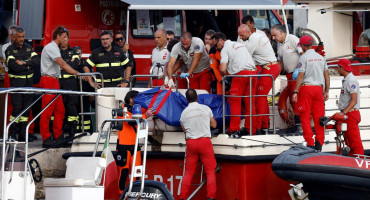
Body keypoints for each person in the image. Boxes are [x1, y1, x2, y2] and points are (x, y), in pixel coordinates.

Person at [39, 26, 80, 148]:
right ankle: (46, 138)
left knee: (60, 110)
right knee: (47, 111)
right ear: (58, 36)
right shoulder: (51, 48)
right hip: (49, 80)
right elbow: (63, 64)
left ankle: (58, 136)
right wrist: (78, 74)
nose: (65, 39)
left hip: (54, 81)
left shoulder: (54, 48)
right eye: (64, 37)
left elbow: (62, 65)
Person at [238, 24, 280, 134]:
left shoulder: (252, 41)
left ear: (248, 32)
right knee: (261, 96)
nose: (240, 38)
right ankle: (264, 124)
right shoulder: (259, 35)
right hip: (269, 67)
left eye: (242, 35)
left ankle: (258, 127)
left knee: (260, 97)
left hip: (269, 68)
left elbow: (244, 57)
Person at [214, 32, 257, 137]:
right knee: (250, 103)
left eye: (215, 45)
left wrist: (227, 78)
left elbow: (223, 68)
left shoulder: (225, 49)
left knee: (235, 102)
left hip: (240, 75)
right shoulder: (239, 44)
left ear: (221, 40)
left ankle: (233, 129)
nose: (216, 48)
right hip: (253, 73)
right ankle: (251, 129)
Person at [292, 35, 330, 151]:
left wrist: (295, 91)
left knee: (305, 116)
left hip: (307, 89)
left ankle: (310, 143)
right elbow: (327, 76)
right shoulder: (321, 58)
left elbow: (301, 75)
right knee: (319, 118)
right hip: (319, 89)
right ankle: (319, 144)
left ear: (303, 45)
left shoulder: (303, 58)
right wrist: (327, 91)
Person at [179, 88, 217, 200]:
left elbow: (185, 131)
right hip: (205, 142)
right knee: (210, 171)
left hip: (191, 143)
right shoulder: (206, 109)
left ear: (186, 99)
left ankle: (182, 197)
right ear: (197, 97)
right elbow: (214, 125)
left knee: (189, 172)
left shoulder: (183, 113)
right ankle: (210, 197)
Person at [5, 27, 40, 141]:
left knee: (26, 109)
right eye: (19, 37)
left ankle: (22, 134)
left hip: (28, 83)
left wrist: (24, 63)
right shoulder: (10, 49)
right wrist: (28, 67)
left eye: (23, 37)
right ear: (14, 37)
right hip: (16, 83)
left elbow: (36, 62)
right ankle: (13, 133)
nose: (21, 39)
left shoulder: (29, 47)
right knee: (17, 108)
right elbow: (13, 66)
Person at [115, 90, 154, 194]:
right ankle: (121, 194)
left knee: (137, 173)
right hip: (124, 147)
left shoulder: (137, 109)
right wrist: (145, 115)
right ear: (131, 99)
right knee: (123, 172)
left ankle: (135, 193)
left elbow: (149, 106)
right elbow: (130, 121)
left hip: (135, 146)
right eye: (137, 98)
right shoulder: (121, 110)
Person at [271, 24, 303, 133]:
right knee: (292, 99)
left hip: (297, 74)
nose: (273, 38)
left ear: (281, 32)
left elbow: (303, 54)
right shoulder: (280, 46)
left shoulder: (293, 39)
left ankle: (298, 126)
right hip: (289, 75)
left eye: (274, 35)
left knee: (296, 99)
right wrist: (275, 75)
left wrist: (300, 69)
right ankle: (295, 125)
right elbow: (280, 62)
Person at [334, 59, 364, 156]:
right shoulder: (348, 80)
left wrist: (343, 112)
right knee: (349, 141)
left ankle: (360, 161)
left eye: (338, 67)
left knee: (354, 141)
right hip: (348, 114)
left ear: (342, 67)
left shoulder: (351, 80)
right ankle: (354, 159)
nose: (337, 70)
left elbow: (354, 100)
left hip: (350, 114)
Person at [59, 34, 80, 140]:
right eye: (62, 38)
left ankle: (72, 133)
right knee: (58, 107)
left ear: (68, 39)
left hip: (70, 82)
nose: (64, 40)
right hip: (58, 82)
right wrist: (67, 64)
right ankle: (58, 134)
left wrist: (63, 66)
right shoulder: (55, 51)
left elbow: (75, 65)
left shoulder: (74, 52)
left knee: (71, 106)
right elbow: (54, 65)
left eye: (65, 38)